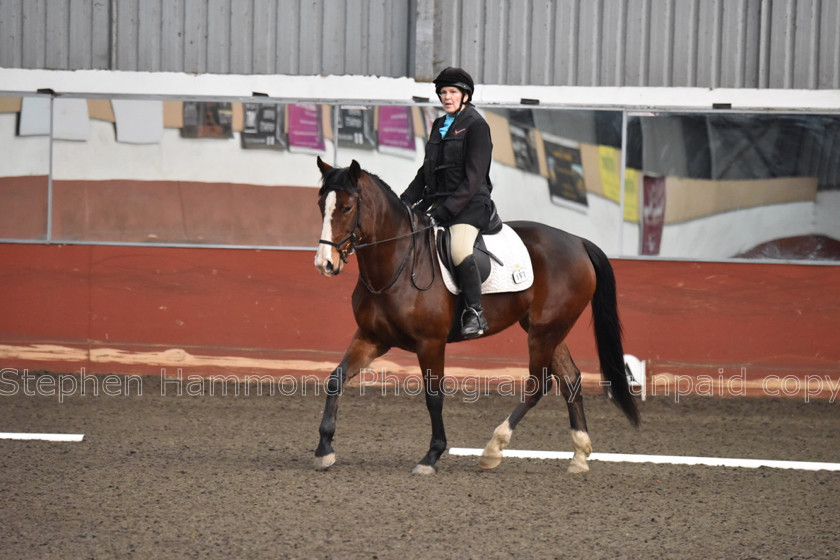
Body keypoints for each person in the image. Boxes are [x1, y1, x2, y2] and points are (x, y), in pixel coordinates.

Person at [400, 67, 498, 339]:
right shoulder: (438, 126)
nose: (446, 97)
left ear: (465, 95)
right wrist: (406, 201)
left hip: (470, 205)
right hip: (438, 204)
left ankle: (475, 313)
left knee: (458, 249)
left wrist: (445, 212)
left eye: (452, 92)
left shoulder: (477, 125)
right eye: (443, 92)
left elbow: (473, 178)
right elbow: (426, 171)